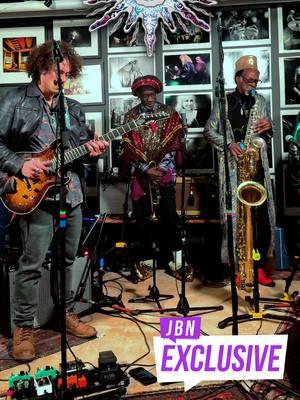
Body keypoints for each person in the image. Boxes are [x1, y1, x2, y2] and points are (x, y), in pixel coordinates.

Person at [0, 40, 109, 362]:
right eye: (57, 72)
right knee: (31, 264)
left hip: (69, 194)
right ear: (41, 68)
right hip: (33, 194)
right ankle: (23, 328)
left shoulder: (72, 108)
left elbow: (76, 157)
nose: (62, 79)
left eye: (67, 73)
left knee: (67, 258)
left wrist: (92, 152)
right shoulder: (15, 100)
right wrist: (20, 165)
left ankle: (66, 312)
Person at [204, 55, 276, 288]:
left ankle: (259, 267)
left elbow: (266, 133)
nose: (253, 85)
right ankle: (239, 269)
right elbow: (208, 131)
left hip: (257, 170)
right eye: (249, 81)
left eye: (256, 81)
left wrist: (269, 127)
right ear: (238, 79)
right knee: (236, 221)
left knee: (261, 219)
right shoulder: (223, 102)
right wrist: (228, 145)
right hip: (234, 170)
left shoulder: (261, 101)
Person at [119, 75, 193, 282]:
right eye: (145, 95)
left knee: (170, 217)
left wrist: (160, 169)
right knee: (143, 220)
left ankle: (176, 261)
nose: (149, 99)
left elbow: (175, 144)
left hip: (164, 173)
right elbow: (128, 149)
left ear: (157, 94)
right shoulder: (130, 117)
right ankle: (146, 261)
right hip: (142, 177)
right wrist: (145, 170)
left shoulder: (169, 114)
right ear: (138, 96)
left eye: (152, 95)